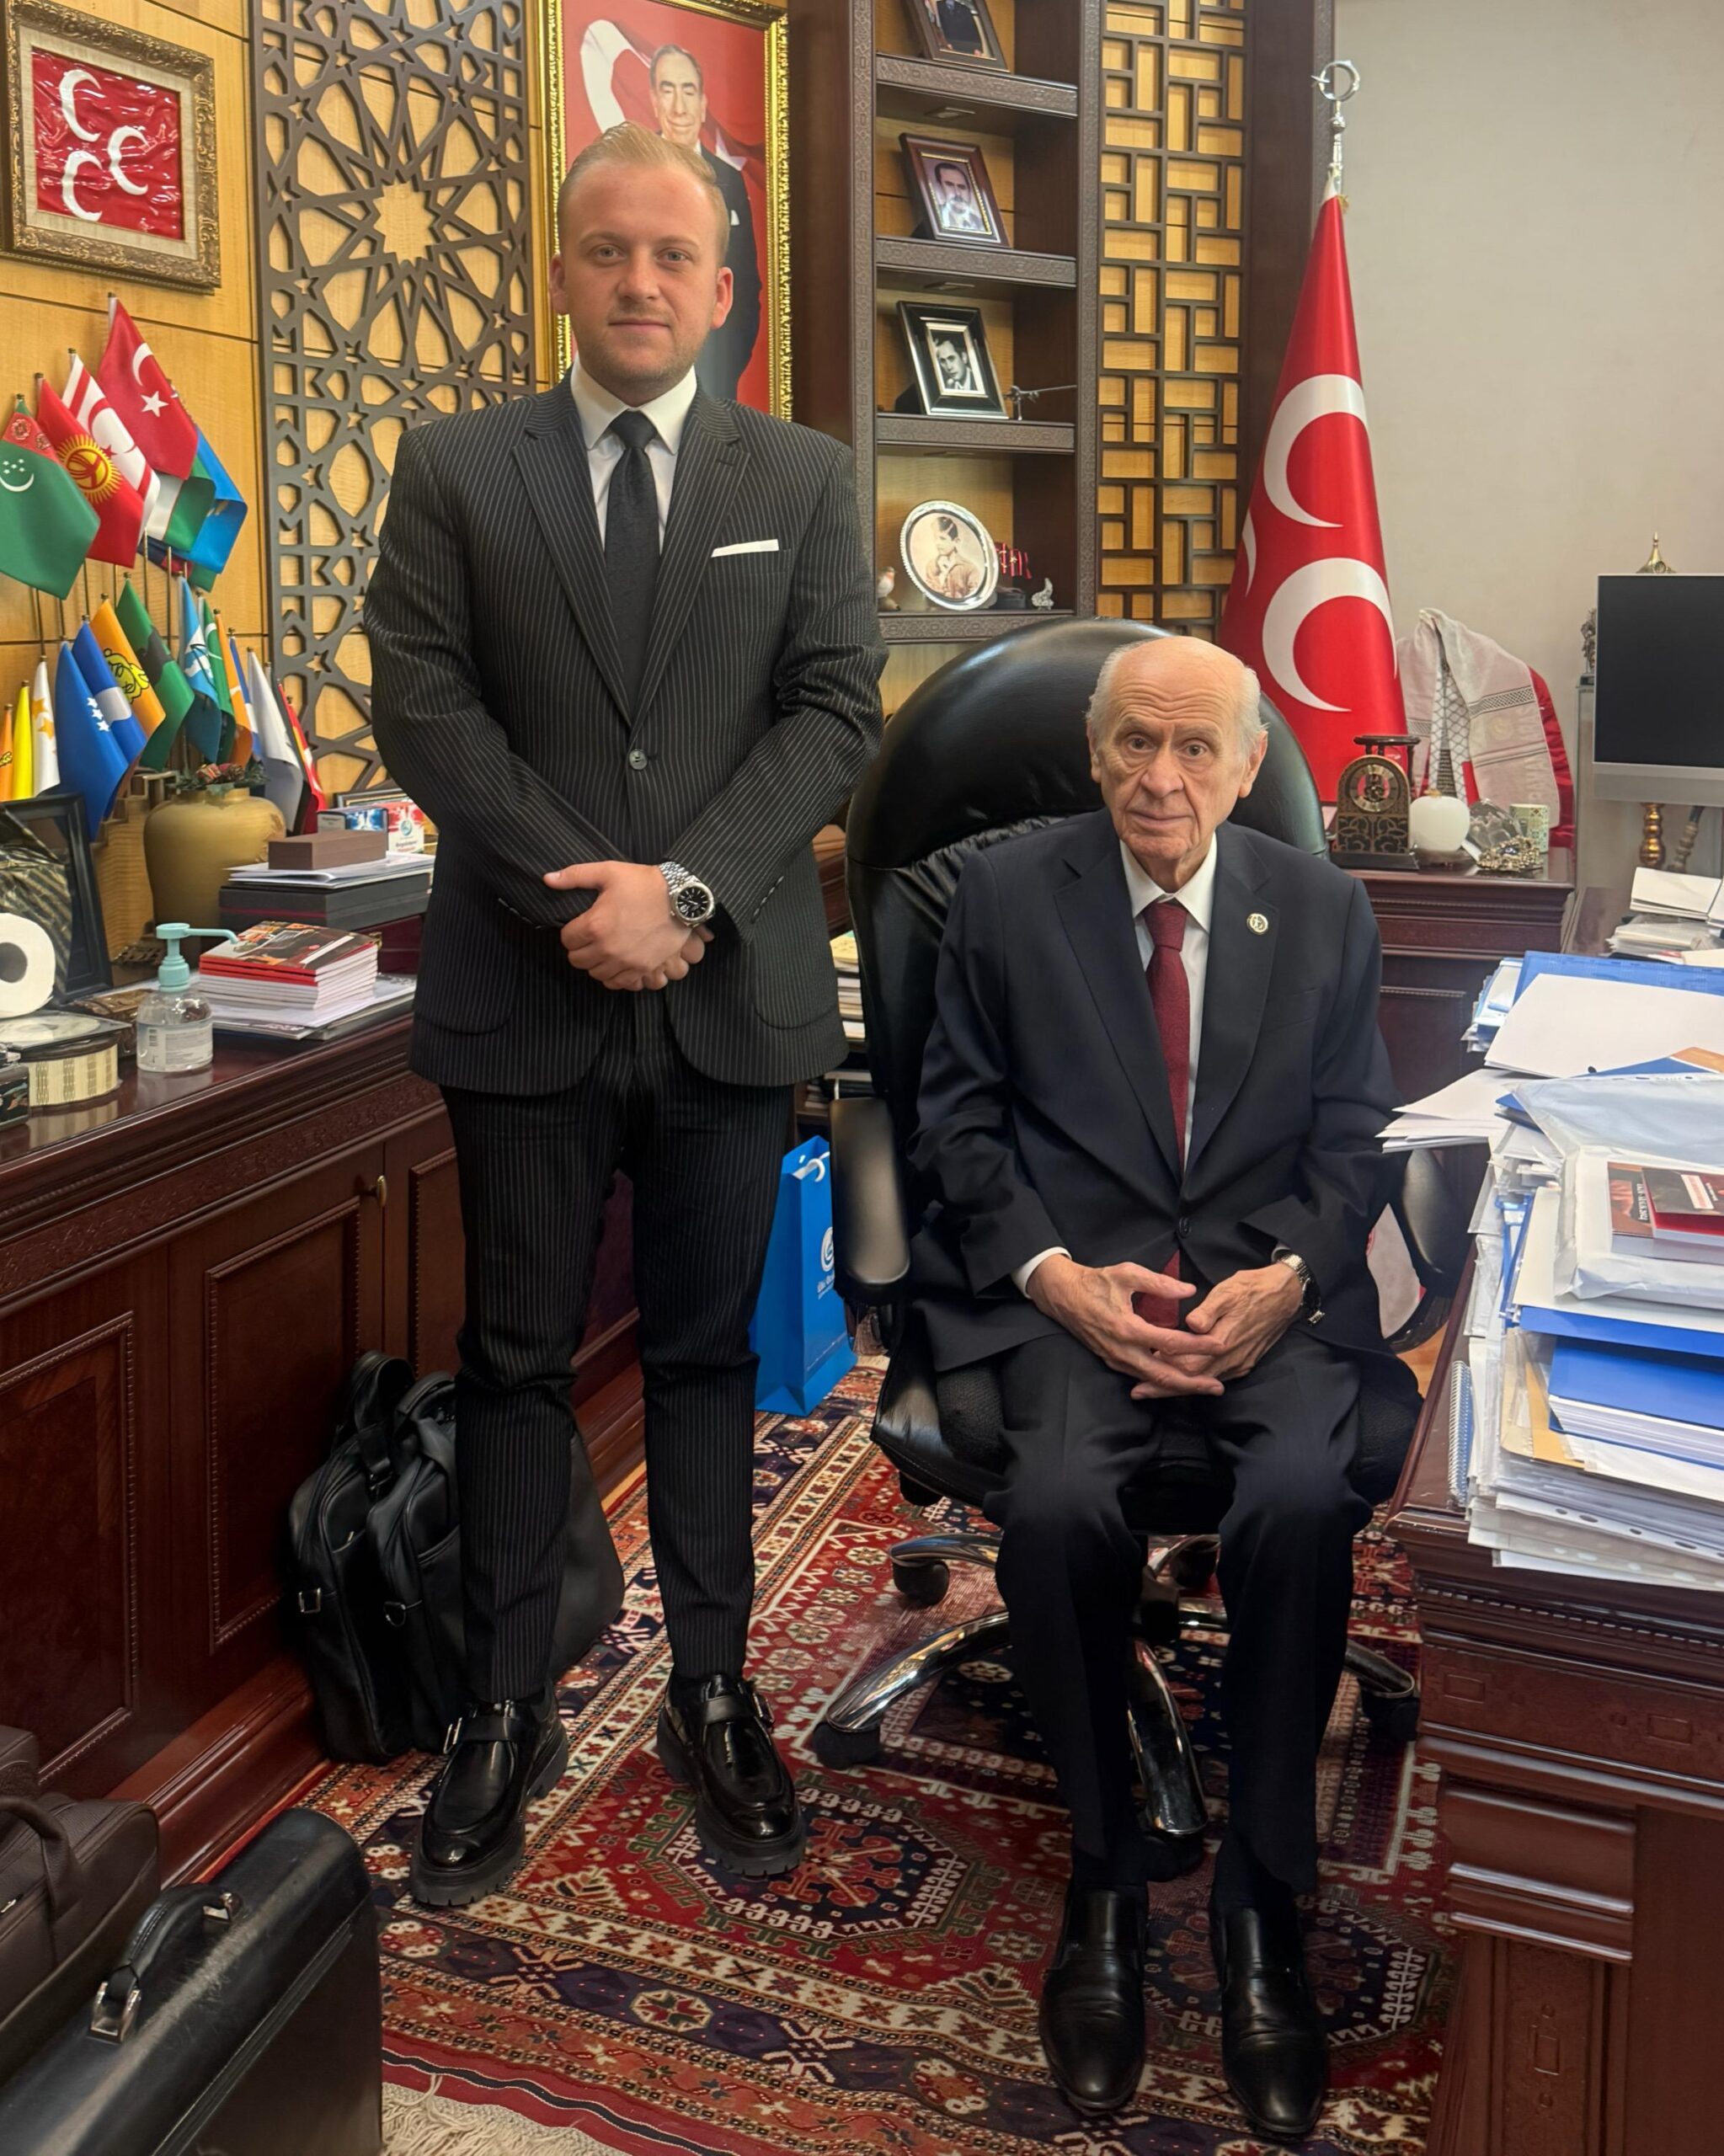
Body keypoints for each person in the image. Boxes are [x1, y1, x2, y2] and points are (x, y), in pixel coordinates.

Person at [366, 121, 884, 1909]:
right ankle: (501, 1705)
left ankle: (711, 1687)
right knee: (515, 1358)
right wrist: (582, 892)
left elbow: (834, 708)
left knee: (706, 1355)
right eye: (609, 250)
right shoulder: (458, 466)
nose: (641, 281)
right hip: (525, 990)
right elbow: (423, 705)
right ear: (562, 272)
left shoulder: (801, 474)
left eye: (673, 255)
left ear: (722, 287)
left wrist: (693, 891)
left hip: (728, 992)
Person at [910, 637, 1406, 2137]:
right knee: (1056, 1506)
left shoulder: (1322, 908)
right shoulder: (1002, 899)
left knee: (1301, 1496)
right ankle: (1105, 1882)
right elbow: (955, 1126)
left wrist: (1291, 1278)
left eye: (1196, 748)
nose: (1161, 777)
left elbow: (1355, 1138)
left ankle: (1262, 1898)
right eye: (1134, 741)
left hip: (1265, 1295)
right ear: (1093, 751)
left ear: (1250, 767)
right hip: (1077, 1298)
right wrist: (1053, 1277)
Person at [649, 44, 761, 403]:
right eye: (668, 90)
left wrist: (726, 367)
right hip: (644, 378)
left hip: (715, 382)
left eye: (688, 91)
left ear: (703, 104)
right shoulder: (629, 176)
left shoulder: (730, 180)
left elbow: (746, 286)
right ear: (654, 100)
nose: (679, 107)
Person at [931, 161, 988, 237]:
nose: (958, 193)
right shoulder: (933, 217)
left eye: (962, 187)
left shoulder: (982, 223)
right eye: (950, 185)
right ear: (939, 187)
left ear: (969, 191)